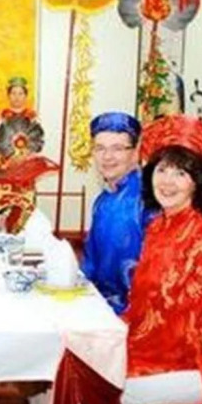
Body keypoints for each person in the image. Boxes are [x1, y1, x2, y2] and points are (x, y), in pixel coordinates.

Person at [121, 114, 202, 404]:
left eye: (181, 173)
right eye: (162, 169)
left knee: (107, 391)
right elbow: (144, 308)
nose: (167, 182)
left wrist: (137, 358)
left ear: (197, 183)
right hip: (152, 352)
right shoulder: (158, 228)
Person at [81, 112, 153, 314]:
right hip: (99, 306)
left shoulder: (148, 198)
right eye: (100, 148)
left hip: (133, 314)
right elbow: (91, 262)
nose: (107, 157)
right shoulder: (103, 200)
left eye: (118, 148)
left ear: (136, 152)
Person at [0, 76, 39, 149]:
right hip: (7, 150)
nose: (17, 97)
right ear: (8, 95)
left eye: (20, 94)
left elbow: (36, 133)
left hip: (27, 151)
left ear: (25, 96)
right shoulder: (5, 114)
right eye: (13, 93)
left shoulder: (30, 114)